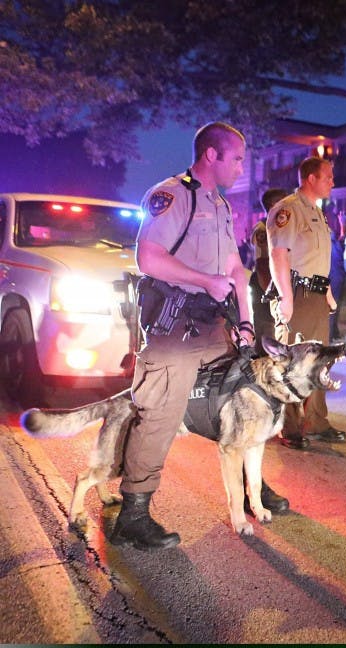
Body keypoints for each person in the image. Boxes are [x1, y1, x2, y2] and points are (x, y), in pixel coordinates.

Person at [110, 122, 254, 550]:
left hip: (215, 327)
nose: (242, 167)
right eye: (238, 159)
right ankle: (132, 514)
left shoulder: (221, 206)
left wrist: (246, 323)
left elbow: (235, 270)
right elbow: (148, 258)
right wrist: (204, 281)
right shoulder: (174, 195)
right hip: (176, 328)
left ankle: (252, 490)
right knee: (160, 415)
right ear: (212, 155)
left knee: (250, 395)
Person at [266, 155, 343, 450]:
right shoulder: (288, 209)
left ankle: (315, 421)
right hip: (295, 293)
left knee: (321, 361)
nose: (332, 182)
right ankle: (288, 425)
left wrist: (326, 294)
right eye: (328, 177)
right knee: (290, 363)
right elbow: (279, 254)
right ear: (311, 178)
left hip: (316, 295)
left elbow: (317, 260)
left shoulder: (317, 213)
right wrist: (285, 297)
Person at [249, 188, 289, 353]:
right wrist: (271, 294)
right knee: (267, 330)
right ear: (274, 206)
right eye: (285, 203)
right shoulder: (263, 229)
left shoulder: (279, 227)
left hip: (276, 283)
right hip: (264, 283)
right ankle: (262, 370)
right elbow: (263, 264)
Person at [328, 210, 346, 340]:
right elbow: (342, 236)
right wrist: (342, 223)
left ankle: (331, 334)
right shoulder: (336, 244)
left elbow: (342, 236)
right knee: (333, 306)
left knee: (331, 307)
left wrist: (343, 224)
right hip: (336, 279)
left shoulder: (331, 244)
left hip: (333, 278)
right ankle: (332, 333)